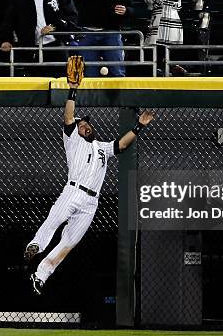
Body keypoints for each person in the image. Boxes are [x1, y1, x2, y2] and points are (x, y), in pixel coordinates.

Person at [24, 80, 154, 295]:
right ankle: (36, 245)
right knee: (54, 220)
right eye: (80, 125)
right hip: (73, 191)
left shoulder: (102, 148)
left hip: (91, 202)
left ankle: (41, 275)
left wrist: (139, 125)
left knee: (70, 242)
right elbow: (68, 117)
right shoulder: (73, 141)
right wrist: (73, 89)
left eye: (86, 124)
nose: (84, 125)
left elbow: (121, 145)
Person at [0, 0, 78, 76]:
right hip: (30, 49)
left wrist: (54, 27)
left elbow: (72, 16)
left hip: (56, 47)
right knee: (35, 85)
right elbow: (9, 20)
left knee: (61, 83)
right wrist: (5, 39)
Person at [137, 0, 183, 74]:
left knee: (158, 55)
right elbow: (179, 6)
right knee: (165, 55)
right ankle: (170, 70)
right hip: (174, 23)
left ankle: (161, 74)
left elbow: (153, 3)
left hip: (162, 24)